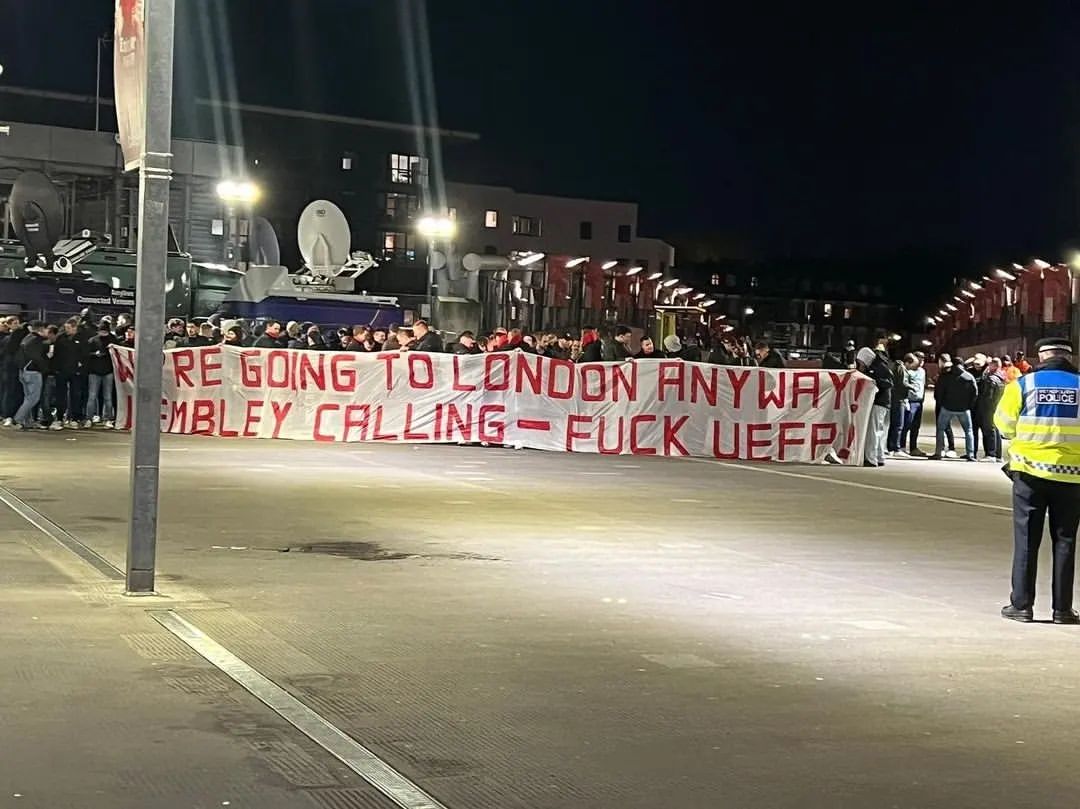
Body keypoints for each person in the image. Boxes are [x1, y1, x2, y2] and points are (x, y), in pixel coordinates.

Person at [996, 338, 1080, 624]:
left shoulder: (1022, 385)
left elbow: (1004, 424)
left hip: (1029, 473)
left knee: (1027, 540)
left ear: (1042, 356)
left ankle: (1021, 606)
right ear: (1069, 357)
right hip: (1073, 475)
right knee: (1066, 541)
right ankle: (1063, 610)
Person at [929, 357, 977, 461]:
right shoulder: (969, 377)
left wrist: (942, 403)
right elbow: (975, 393)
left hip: (947, 407)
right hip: (964, 409)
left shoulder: (945, 376)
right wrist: (969, 405)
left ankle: (939, 452)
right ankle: (971, 454)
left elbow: (939, 392)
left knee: (940, 429)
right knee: (968, 431)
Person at [856, 346, 892, 467]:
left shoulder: (877, 368)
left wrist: (873, 380)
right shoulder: (881, 365)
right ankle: (879, 456)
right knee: (880, 431)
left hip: (879, 402)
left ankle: (871, 458)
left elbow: (886, 383)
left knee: (874, 431)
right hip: (884, 402)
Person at [13, 321, 49, 430]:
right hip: (32, 372)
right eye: (46, 329)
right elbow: (36, 357)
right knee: (33, 398)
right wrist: (45, 368)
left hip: (23, 371)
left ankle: (27, 421)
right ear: (41, 329)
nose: (48, 331)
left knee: (28, 398)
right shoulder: (36, 341)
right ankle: (18, 419)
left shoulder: (27, 338)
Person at [51, 317, 86, 428]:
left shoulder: (82, 338)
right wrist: (55, 369)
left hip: (76, 372)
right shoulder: (60, 338)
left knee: (76, 395)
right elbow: (55, 355)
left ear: (75, 327)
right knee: (60, 395)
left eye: (68, 328)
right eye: (65, 328)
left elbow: (85, 354)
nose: (66, 330)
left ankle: (75, 418)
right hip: (61, 371)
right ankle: (60, 417)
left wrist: (81, 367)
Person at [973, 354, 1005, 461]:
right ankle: (998, 455)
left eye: (990, 365)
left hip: (988, 408)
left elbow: (987, 396)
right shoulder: (1001, 377)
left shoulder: (991, 379)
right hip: (997, 406)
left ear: (994, 366)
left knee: (988, 430)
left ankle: (990, 454)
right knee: (995, 430)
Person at [85, 320, 116, 428]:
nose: (102, 334)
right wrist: (94, 354)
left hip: (107, 371)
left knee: (106, 397)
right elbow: (86, 354)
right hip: (96, 371)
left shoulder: (112, 340)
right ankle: (89, 418)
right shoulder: (93, 340)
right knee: (93, 396)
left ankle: (108, 419)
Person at [899, 353, 927, 456]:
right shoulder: (908, 371)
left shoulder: (922, 372)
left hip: (919, 401)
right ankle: (901, 446)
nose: (921, 362)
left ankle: (913, 447)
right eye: (919, 360)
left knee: (916, 426)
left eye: (922, 360)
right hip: (910, 401)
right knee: (906, 424)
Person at [886, 354, 911, 456]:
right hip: (899, 399)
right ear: (907, 362)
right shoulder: (901, 369)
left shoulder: (894, 367)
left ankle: (890, 446)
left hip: (894, 398)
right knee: (898, 424)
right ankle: (896, 447)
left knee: (893, 424)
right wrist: (912, 387)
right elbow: (902, 383)